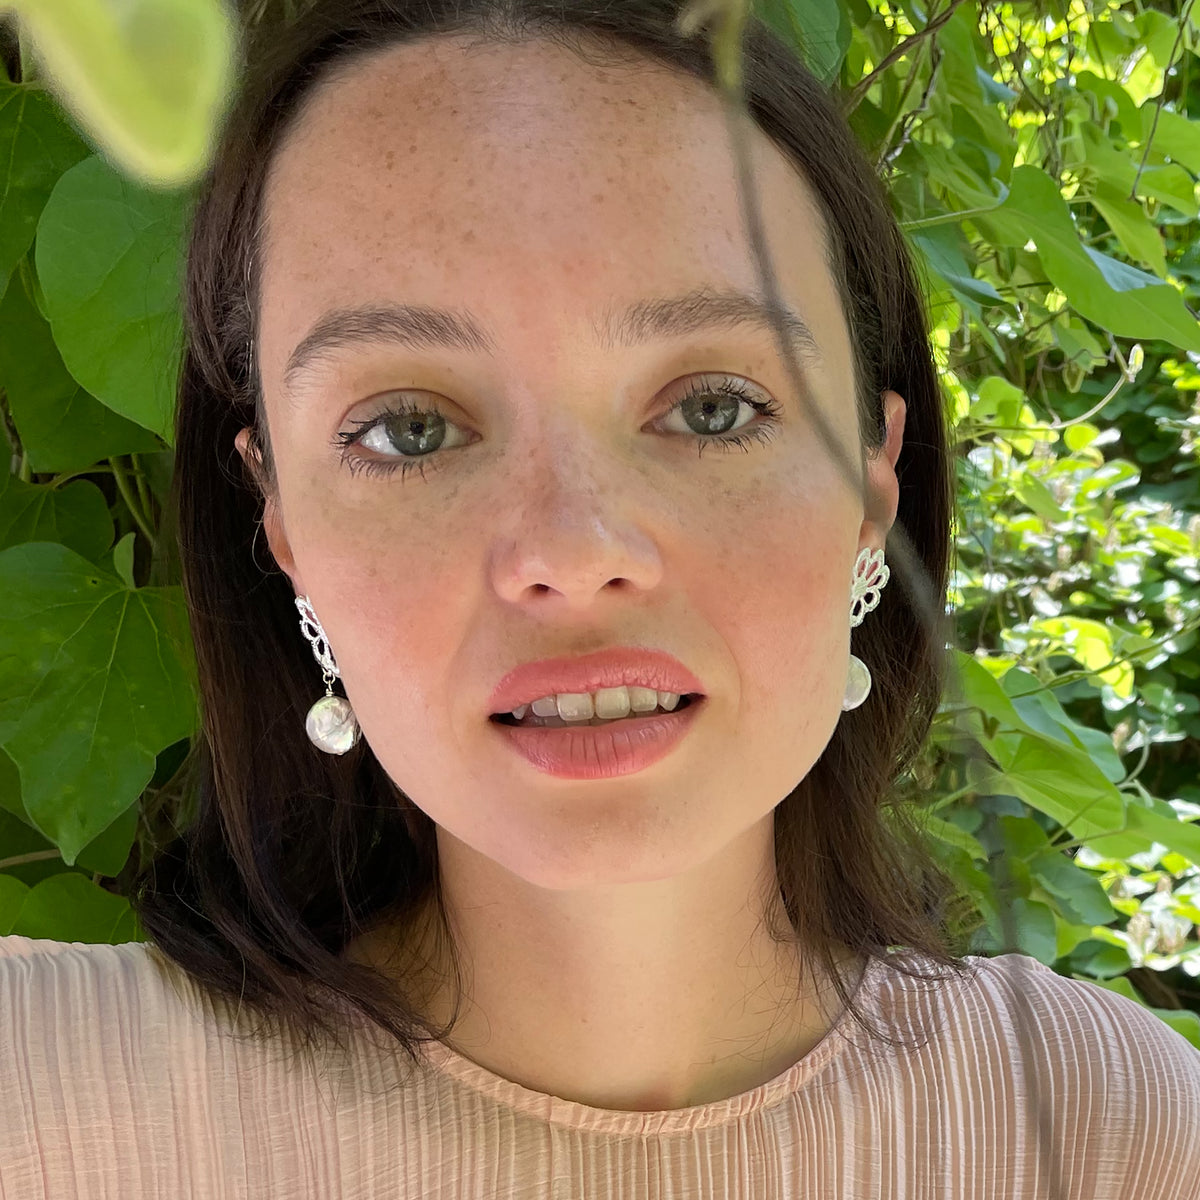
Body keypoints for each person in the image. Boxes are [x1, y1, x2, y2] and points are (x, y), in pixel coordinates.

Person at [3, 1, 1199, 1196]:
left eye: (714, 408)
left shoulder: (1099, 1134)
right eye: (409, 430)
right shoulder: (33, 1098)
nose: (573, 553)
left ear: (873, 481)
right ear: (282, 524)